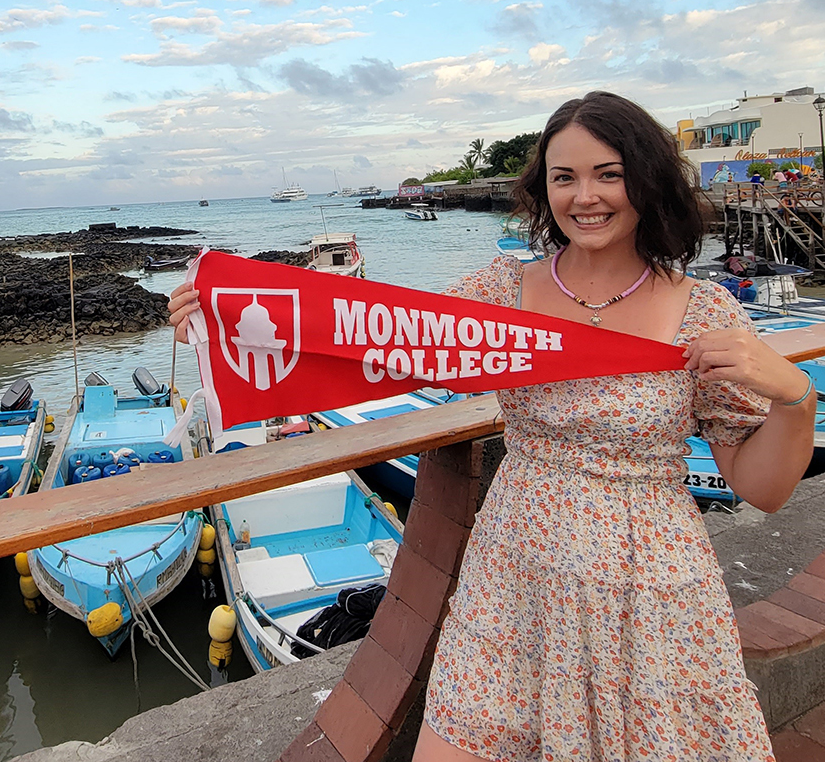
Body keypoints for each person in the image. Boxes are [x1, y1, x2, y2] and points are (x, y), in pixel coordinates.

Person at [167, 91, 816, 761]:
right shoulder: (503, 293)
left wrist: (795, 396)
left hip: (645, 586)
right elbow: (368, 334)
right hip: (513, 570)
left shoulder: (704, 311)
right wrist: (223, 318)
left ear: (647, 180)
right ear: (543, 190)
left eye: (609, 174)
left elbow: (761, 488)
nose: (584, 197)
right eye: (564, 177)